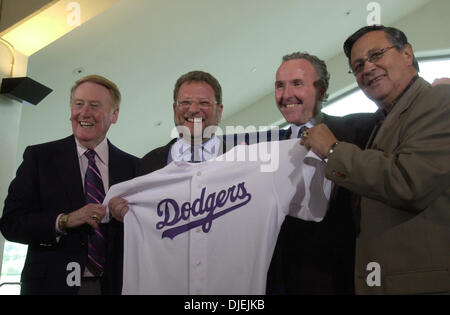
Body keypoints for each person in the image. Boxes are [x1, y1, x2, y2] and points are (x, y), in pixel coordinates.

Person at [303, 25, 450, 294]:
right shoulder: (381, 122)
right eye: (358, 65)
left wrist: (333, 150)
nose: (367, 68)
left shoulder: (440, 99)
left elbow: (409, 181)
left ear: (407, 54)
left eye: (376, 55)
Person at [0, 75, 138, 295]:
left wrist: (129, 218)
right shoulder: (39, 158)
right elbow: (11, 223)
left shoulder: (134, 168)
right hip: (51, 286)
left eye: (94, 106)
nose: (84, 113)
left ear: (115, 115)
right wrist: (64, 221)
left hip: (116, 287)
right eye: (78, 104)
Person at [266, 52, 375, 294]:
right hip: (292, 282)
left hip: (354, 278)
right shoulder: (265, 152)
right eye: (279, 86)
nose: (286, 95)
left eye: (297, 84)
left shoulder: (362, 129)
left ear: (322, 91)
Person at [110, 70, 228, 218]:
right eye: (185, 102)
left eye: (204, 103)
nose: (193, 109)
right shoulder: (146, 165)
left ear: (220, 111)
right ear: (174, 109)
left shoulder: (241, 160)